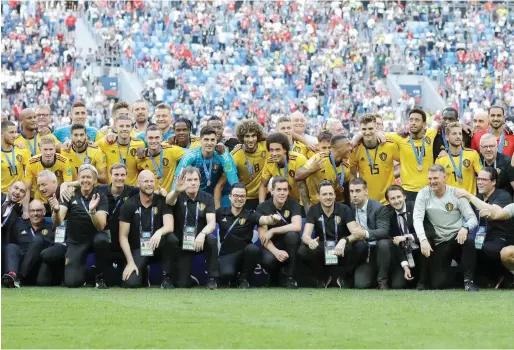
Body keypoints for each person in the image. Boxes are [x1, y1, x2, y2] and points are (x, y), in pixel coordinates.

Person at [413, 164, 479, 291]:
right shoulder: (423, 194)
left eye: (435, 178)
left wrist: (465, 228)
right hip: (440, 241)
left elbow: (472, 218)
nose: (432, 182)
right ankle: (466, 275)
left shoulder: (456, 193)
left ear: (445, 177)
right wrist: (423, 239)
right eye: (430, 179)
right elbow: (417, 218)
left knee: (469, 241)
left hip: (457, 237)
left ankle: (468, 281)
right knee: (438, 284)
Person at [50, 164, 110, 288]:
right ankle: (87, 274)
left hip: (95, 238)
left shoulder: (101, 197)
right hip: (76, 241)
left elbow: (101, 226)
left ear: (94, 180)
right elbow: (58, 221)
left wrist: (92, 211)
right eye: (82, 177)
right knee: (72, 283)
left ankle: (100, 276)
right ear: (78, 180)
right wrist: (55, 211)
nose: (85, 180)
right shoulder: (70, 194)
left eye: (89, 177)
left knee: (102, 239)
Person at [298, 181, 368, 288]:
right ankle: (322, 278)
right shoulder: (313, 210)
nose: (328, 197)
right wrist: (310, 241)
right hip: (323, 248)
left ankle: (345, 277)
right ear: (318, 196)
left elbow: (357, 234)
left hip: (341, 249)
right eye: (324, 194)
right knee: (303, 250)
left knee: (361, 246)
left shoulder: (344, 209)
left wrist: (344, 240)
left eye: (331, 194)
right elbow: (305, 236)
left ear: (335, 195)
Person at [119, 170, 176, 288]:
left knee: (172, 239)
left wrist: (158, 232)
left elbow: (169, 226)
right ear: (138, 183)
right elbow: (123, 237)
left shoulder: (162, 200)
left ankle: (167, 277)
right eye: (145, 181)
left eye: (151, 181)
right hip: (140, 248)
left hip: (158, 246)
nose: (149, 184)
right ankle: (143, 272)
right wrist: (130, 262)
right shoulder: (129, 204)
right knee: (130, 283)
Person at [454, 173, 514, 285]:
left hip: (501, 238)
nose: (480, 182)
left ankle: (504, 275)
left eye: (484, 179)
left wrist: (469, 196)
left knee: (491, 249)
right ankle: (479, 279)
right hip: (482, 237)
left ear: (494, 182)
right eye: (478, 179)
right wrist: (465, 229)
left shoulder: (503, 195)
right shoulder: (478, 197)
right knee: (466, 245)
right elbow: (471, 218)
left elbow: (496, 212)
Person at [217, 183, 281, 288]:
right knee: (226, 275)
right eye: (236, 196)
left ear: (246, 198)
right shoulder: (220, 212)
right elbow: (207, 222)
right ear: (230, 197)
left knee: (253, 249)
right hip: (227, 254)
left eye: (242, 196)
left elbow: (264, 219)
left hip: (244, 253)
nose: (239, 199)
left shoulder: (250, 214)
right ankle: (234, 279)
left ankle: (244, 280)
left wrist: (272, 219)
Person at [166, 166, 219, 289]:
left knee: (211, 240)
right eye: (189, 180)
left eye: (195, 179)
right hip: (182, 243)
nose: (193, 183)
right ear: (183, 181)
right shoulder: (177, 195)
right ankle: (188, 278)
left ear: (200, 181)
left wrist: (202, 234)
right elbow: (169, 201)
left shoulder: (207, 197)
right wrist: (176, 191)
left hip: (199, 241)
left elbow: (211, 223)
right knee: (182, 285)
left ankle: (212, 279)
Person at [256, 176, 302, 289]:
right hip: (272, 246)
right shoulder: (262, 207)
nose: (282, 193)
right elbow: (263, 237)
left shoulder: (293, 204)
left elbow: (297, 226)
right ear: (272, 191)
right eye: (279, 190)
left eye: (285, 190)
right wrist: (276, 252)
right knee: (268, 260)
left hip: (289, 245)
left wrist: (273, 230)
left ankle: (291, 278)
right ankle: (273, 277)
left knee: (292, 236)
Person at [385, 184, 433, 289]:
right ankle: (411, 274)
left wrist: (406, 237)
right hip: (406, 254)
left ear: (404, 196)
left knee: (425, 242)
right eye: (392, 198)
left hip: (423, 251)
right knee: (398, 285)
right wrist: (405, 266)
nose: (397, 201)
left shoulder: (416, 207)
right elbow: (395, 243)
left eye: (399, 197)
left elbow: (430, 232)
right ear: (388, 201)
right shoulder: (389, 216)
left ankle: (423, 282)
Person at [349, 178, 392, 289]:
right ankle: (371, 276)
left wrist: (364, 233)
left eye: (358, 191)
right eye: (351, 191)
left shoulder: (379, 208)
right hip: (364, 250)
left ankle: (383, 281)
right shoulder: (351, 207)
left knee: (383, 243)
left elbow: (384, 231)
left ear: (366, 191)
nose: (354, 195)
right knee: (360, 285)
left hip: (378, 250)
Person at [97, 163, 140, 273]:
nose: (119, 178)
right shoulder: (99, 190)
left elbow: (149, 190)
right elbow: (84, 183)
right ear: (110, 175)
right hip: (105, 235)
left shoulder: (133, 192)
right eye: (116, 175)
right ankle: (99, 273)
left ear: (126, 176)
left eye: (122, 175)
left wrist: (161, 192)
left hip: (126, 236)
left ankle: (142, 270)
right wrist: (67, 185)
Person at [2, 199, 54, 288]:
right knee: (11, 247)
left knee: (39, 240)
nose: (35, 213)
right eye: (32, 211)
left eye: (38, 210)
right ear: (28, 212)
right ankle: (12, 274)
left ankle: (17, 278)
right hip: (21, 263)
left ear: (44, 212)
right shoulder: (19, 226)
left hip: (39, 268)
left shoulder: (51, 227)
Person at [388, 109, 437, 201]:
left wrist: (462, 125)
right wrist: (356, 138)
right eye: (411, 120)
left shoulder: (430, 134)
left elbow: (444, 125)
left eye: (417, 120)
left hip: (429, 190)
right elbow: (378, 134)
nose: (413, 123)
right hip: (408, 191)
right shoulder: (400, 137)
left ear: (424, 124)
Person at [174, 126, 238, 195]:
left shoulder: (222, 153)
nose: (209, 143)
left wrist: (237, 193)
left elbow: (232, 175)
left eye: (212, 140)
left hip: (217, 194)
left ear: (216, 140)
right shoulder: (191, 155)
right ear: (200, 140)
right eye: (206, 139)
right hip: (194, 194)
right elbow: (178, 178)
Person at [350, 114, 399, 204]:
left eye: (370, 128)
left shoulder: (389, 145)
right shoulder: (355, 149)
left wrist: (393, 175)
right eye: (364, 129)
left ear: (376, 128)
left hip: (388, 201)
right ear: (360, 130)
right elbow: (352, 174)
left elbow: (404, 162)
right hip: (367, 201)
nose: (367, 132)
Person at [295, 135, 351, 206]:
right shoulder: (319, 158)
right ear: (338, 148)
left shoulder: (347, 163)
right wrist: (312, 169)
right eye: (348, 145)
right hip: (315, 204)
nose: (351, 148)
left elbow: (346, 188)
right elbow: (297, 176)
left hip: (333, 204)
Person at [259, 132, 308, 209]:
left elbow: (304, 187)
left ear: (285, 149)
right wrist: (261, 206)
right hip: (283, 202)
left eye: (277, 150)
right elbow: (263, 184)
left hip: (301, 202)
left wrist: (303, 209)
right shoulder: (269, 162)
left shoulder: (299, 159)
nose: (274, 153)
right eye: (271, 150)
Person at [95, 114, 145, 185]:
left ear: (131, 127)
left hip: (132, 191)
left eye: (127, 126)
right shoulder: (105, 142)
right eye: (121, 126)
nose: (124, 129)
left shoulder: (140, 144)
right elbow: (90, 147)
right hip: (111, 191)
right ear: (115, 127)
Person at [229, 120, 268, 210]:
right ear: (242, 138)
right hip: (245, 198)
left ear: (258, 136)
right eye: (247, 136)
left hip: (264, 195)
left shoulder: (266, 146)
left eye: (253, 136)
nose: (250, 140)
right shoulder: (235, 155)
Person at [436, 122, 481, 195]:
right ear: (447, 137)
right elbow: (439, 184)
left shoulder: (472, 154)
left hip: (469, 201)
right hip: (450, 202)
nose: (458, 136)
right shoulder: (440, 159)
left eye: (460, 134)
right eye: (454, 134)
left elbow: (481, 175)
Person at [24, 136, 72, 202]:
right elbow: (27, 188)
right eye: (45, 149)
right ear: (40, 149)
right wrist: (26, 211)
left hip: (58, 199)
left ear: (55, 149)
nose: (48, 153)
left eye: (51, 149)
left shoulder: (64, 161)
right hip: (39, 200)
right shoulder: (31, 163)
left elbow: (68, 184)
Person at [136, 125, 185, 191]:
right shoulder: (139, 157)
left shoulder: (172, 151)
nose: (154, 141)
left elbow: (192, 153)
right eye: (150, 138)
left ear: (161, 138)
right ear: (145, 139)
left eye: (157, 138)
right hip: (151, 198)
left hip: (169, 198)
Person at [2, 121, 30, 195]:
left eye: (15, 132)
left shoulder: (22, 149)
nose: (14, 135)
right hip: (3, 195)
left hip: (19, 195)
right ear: (1, 133)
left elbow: (28, 173)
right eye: (11, 132)